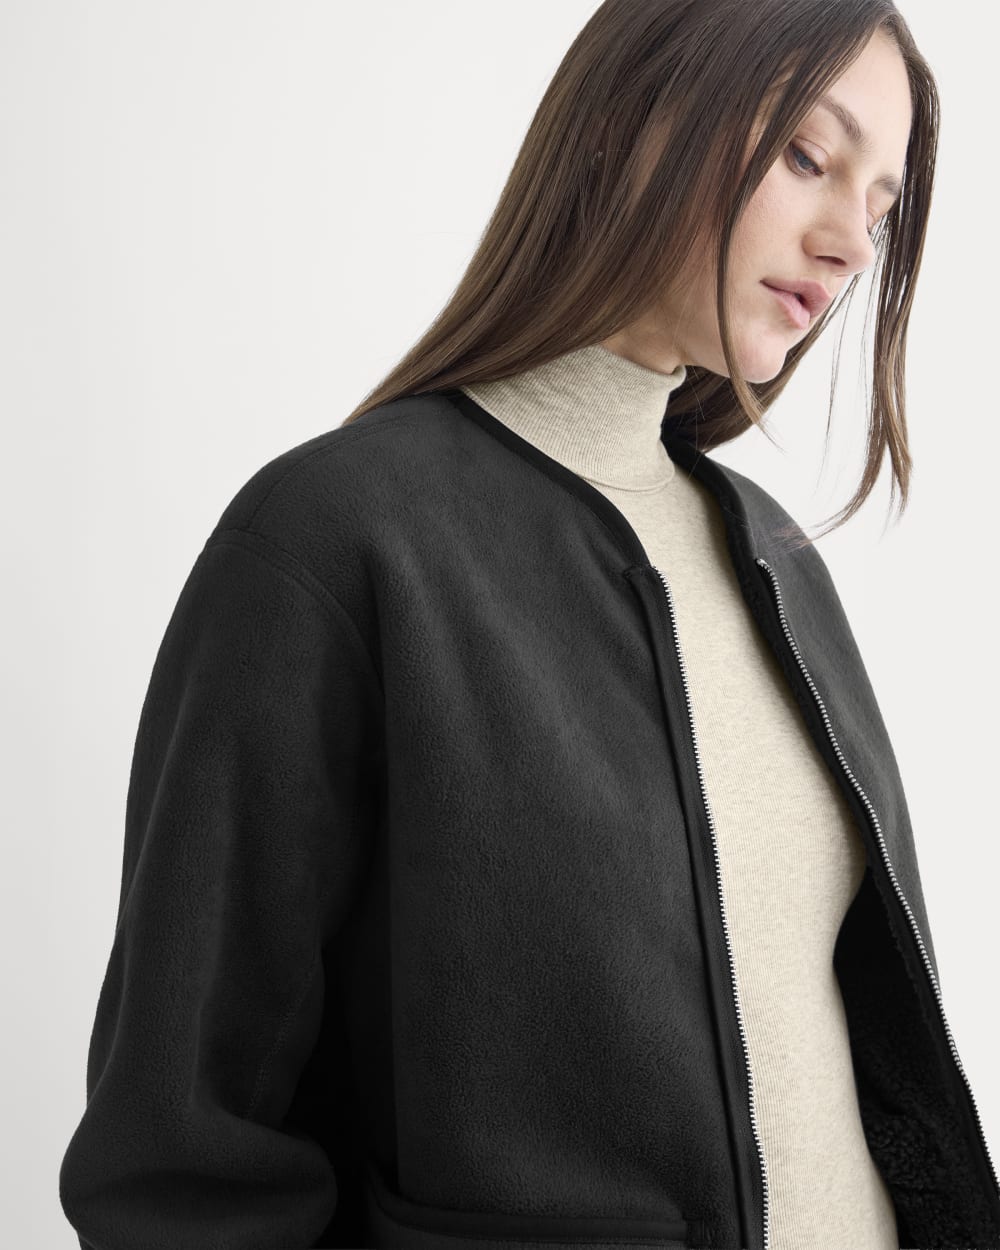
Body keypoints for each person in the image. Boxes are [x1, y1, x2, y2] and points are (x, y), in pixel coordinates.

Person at [59, 1, 999, 1248]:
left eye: (879, 210)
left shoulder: (773, 558)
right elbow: (178, 1161)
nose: (844, 243)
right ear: (627, 120)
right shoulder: (337, 542)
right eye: (803, 155)